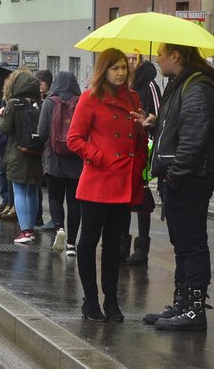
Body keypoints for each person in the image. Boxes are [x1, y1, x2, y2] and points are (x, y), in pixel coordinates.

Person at [66, 48, 147, 323]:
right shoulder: (90, 98)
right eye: (115, 68)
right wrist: (98, 157)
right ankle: (90, 301)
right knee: (88, 242)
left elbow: (138, 139)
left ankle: (111, 301)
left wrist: (137, 166)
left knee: (115, 245)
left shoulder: (133, 99)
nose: (121, 73)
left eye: (124, 67)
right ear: (104, 70)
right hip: (97, 182)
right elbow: (74, 139)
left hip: (123, 182)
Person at [145, 42, 214, 331]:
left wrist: (176, 175)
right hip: (182, 178)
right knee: (182, 244)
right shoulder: (182, 83)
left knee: (192, 244)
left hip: (189, 179)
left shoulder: (197, 86)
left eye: (161, 54)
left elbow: (195, 135)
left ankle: (194, 310)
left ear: (176, 56)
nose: (158, 59)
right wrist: (154, 124)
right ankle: (183, 303)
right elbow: (177, 127)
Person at [0, 69, 45, 245]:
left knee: (19, 192)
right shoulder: (39, 103)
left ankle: (24, 230)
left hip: (17, 153)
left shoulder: (14, 104)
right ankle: (30, 229)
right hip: (35, 154)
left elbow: (6, 128)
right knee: (32, 191)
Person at [37, 71, 83, 256]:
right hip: (76, 161)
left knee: (55, 198)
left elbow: (41, 132)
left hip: (54, 159)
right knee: (74, 202)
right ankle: (71, 244)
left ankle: (59, 229)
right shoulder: (80, 102)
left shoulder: (49, 102)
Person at [125, 54, 161, 265]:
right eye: (127, 58)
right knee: (123, 197)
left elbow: (158, 114)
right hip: (124, 147)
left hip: (143, 146)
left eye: (134, 58)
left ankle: (142, 246)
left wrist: (148, 121)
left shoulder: (149, 85)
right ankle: (122, 241)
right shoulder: (122, 85)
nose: (130, 62)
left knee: (142, 195)